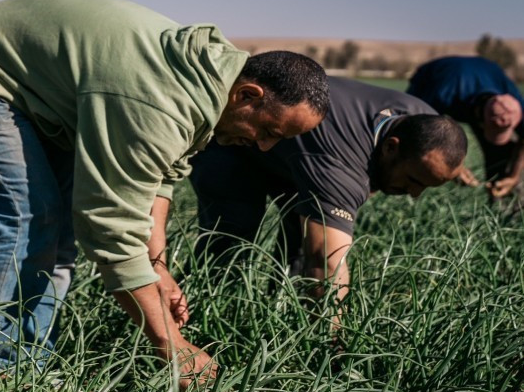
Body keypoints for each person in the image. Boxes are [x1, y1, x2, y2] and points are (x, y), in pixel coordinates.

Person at [0, 0, 329, 385]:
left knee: (57, 231)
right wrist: (172, 345)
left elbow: (161, 178)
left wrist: (157, 267)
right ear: (248, 96)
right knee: (29, 221)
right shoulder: (160, 104)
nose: (264, 147)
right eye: (266, 131)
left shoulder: (212, 80)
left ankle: (25, 367)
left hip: (40, 94)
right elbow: (110, 226)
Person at [190, 77, 466, 304]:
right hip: (233, 143)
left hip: (297, 157)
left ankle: (280, 306)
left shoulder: (425, 125)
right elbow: (327, 261)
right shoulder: (338, 164)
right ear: (391, 147)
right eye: (413, 180)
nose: (414, 194)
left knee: (299, 243)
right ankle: (206, 305)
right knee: (232, 233)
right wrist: (334, 345)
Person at [407, 56, 524, 201]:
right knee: (413, 145)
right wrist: (455, 167)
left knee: (501, 154)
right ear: (480, 122)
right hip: (433, 78)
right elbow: (414, 126)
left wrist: (513, 175)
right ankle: (411, 197)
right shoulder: (443, 94)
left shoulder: (512, 103)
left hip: (486, 70)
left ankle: (504, 202)